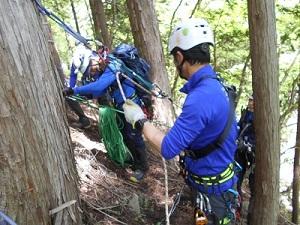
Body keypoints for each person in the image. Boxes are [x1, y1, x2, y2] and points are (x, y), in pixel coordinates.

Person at [122, 18, 239, 224]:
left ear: (180, 56)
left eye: (175, 60)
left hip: (212, 195)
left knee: (203, 221)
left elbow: (167, 148)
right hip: (215, 185)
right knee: (201, 219)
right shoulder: (215, 85)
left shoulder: (201, 97)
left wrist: (139, 119)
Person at [63, 43, 148, 182]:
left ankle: (142, 168)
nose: (91, 74)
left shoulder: (113, 65)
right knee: (125, 134)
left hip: (133, 106)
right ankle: (133, 163)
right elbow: (99, 91)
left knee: (134, 135)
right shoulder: (104, 69)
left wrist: (75, 90)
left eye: (90, 70)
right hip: (122, 106)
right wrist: (81, 96)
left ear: (93, 60)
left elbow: (99, 86)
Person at [235, 95, 255, 223]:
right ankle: (233, 209)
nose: (250, 102)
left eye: (252, 100)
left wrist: (247, 145)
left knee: (238, 183)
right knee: (234, 181)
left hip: (248, 156)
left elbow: (258, 139)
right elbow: (238, 128)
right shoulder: (246, 113)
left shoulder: (259, 118)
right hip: (237, 152)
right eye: (249, 100)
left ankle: (237, 212)